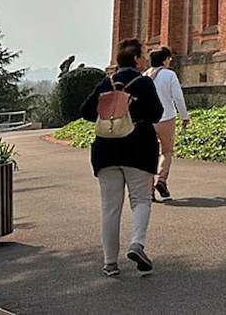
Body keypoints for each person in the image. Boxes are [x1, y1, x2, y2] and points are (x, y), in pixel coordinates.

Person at [79, 38, 164, 277]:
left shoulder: (106, 82)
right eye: (142, 55)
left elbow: (85, 111)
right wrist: (135, 115)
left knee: (110, 208)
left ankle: (109, 263)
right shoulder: (144, 83)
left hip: (106, 150)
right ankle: (136, 244)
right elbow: (157, 114)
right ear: (137, 59)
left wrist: (110, 118)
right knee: (140, 201)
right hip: (137, 149)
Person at [144, 47, 189, 199]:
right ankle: (161, 180)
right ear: (164, 60)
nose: (170, 61)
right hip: (166, 117)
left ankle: (149, 189)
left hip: (148, 120)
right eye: (169, 59)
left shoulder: (145, 75)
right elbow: (178, 97)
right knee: (166, 151)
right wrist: (184, 116)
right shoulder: (169, 75)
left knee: (150, 153)